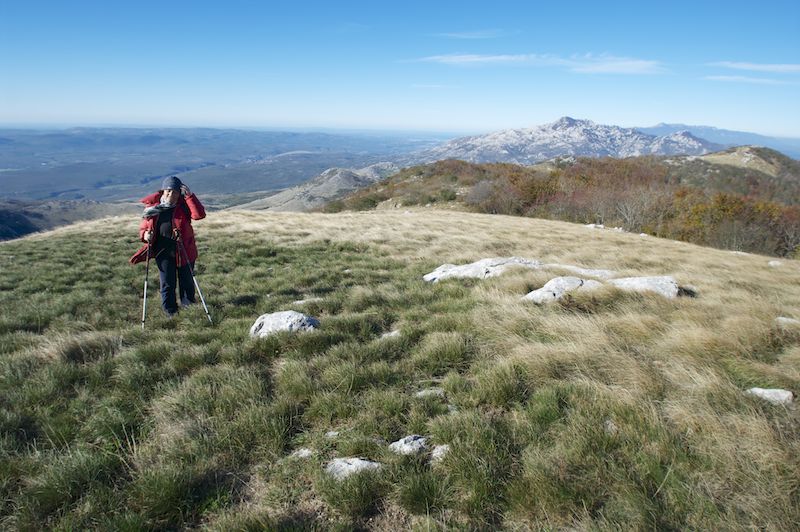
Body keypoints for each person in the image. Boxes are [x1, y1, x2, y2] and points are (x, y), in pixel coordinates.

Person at [130, 176, 206, 317]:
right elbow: (144, 227)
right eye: (168, 191)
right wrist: (145, 235)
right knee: (167, 283)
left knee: (186, 281)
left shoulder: (183, 205)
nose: (171, 194)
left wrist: (189, 196)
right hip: (162, 251)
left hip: (184, 250)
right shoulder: (152, 208)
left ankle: (189, 308)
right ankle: (170, 311)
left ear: (179, 193)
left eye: (175, 191)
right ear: (163, 191)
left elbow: (199, 215)